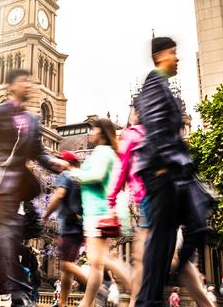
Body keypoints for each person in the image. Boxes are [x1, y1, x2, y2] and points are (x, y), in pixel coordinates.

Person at [0, 69, 68, 307]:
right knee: (4, 239)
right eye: (25, 81)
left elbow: (39, 152)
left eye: (32, 82)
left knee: (4, 241)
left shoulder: (33, 120)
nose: (31, 85)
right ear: (12, 85)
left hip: (17, 192)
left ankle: (3, 290)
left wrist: (56, 163)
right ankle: (15, 293)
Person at [133, 37, 196, 307]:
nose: (177, 57)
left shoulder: (163, 86)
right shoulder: (154, 83)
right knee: (161, 240)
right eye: (173, 53)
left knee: (174, 235)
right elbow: (155, 122)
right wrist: (163, 164)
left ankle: (151, 297)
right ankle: (149, 300)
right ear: (160, 56)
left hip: (171, 170)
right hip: (162, 171)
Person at [69, 118, 131, 307]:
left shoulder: (103, 152)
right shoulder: (107, 152)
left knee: (100, 260)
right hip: (97, 211)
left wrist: (74, 173)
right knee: (97, 265)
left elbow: (97, 175)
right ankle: (85, 305)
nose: (91, 133)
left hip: (98, 212)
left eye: (94, 129)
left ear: (102, 132)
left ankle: (137, 285)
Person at [107, 105, 146, 307]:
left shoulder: (131, 135)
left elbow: (122, 169)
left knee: (139, 255)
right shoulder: (157, 134)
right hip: (159, 200)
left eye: (133, 110)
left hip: (146, 199)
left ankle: (136, 300)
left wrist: (111, 199)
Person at [42, 151, 88, 307]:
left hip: (68, 226)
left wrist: (45, 215)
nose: (58, 164)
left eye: (61, 160)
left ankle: (93, 283)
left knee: (65, 265)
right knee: (67, 267)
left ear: (67, 162)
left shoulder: (66, 175)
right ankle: (62, 303)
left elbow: (59, 194)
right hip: (80, 226)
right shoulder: (81, 178)